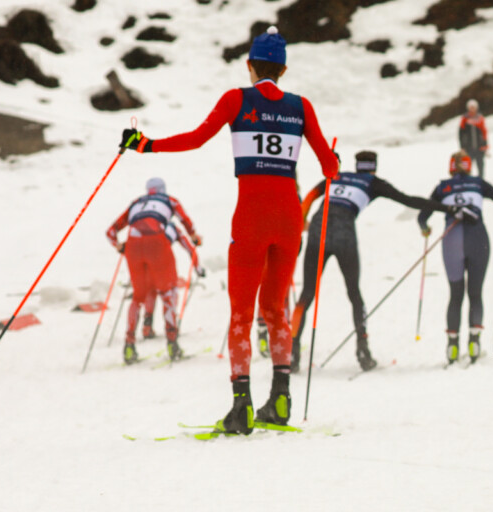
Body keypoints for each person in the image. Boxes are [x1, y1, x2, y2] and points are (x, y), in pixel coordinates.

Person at [118, 26, 338, 434]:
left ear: (251, 65)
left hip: (251, 217)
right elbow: (329, 165)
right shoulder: (301, 106)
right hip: (289, 218)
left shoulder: (237, 99)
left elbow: (196, 138)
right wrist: (332, 161)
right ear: (284, 69)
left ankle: (242, 408)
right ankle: (282, 397)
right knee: (276, 310)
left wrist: (145, 144)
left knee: (242, 311)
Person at [291, 150, 453, 373]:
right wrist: (447, 208)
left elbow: (309, 197)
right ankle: (363, 351)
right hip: (345, 233)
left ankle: (292, 352)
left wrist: (300, 225)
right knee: (354, 294)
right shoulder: (373, 182)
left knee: (306, 294)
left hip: (319, 229)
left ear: (357, 165)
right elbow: (408, 200)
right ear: (374, 166)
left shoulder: (335, 175)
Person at [417, 150, 493, 365]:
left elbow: (423, 215)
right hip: (478, 238)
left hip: (452, 239)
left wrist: (425, 228)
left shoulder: (443, 186)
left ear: (451, 167)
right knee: (475, 293)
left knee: (456, 294)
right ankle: (474, 341)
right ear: (469, 166)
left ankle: (452, 345)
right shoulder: (478, 183)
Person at [106, 177, 201, 364]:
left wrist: (119, 246)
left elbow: (111, 231)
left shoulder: (136, 202)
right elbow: (185, 221)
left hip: (133, 246)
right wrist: (194, 235)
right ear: (163, 189)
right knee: (168, 292)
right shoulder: (170, 201)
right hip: (157, 243)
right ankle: (173, 344)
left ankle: (129, 346)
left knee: (138, 296)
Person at [142, 221, 205, 339]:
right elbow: (190, 249)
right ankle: (171, 327)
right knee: (171, 292)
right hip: (164, 260)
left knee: (151, 290)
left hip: (146, 260)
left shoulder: (148, 225)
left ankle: (147, 326)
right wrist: (198, 268)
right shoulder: (173, 228)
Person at [458, 99, 488, 179]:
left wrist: (485, 145)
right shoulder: (465, 119)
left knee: (480, 165)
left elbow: (484, 132)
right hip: (468, 148)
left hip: (479, 148)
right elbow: (461, 134)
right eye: (471, 107)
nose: (472, 109)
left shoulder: (480, 118)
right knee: (467, 166)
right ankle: (467, 180)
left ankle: (481, 181)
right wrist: (462, 147)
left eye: (474, 107)